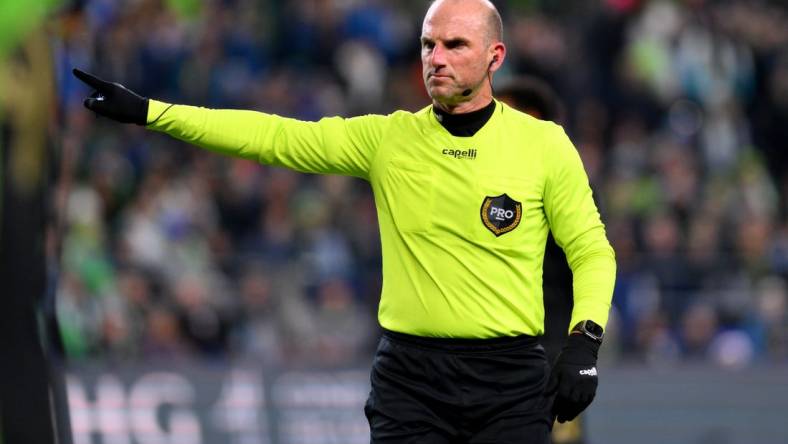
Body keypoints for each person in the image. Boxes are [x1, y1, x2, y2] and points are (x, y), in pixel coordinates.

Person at [73, 0, 616, 442]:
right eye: (429, 44)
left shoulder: (543, 145)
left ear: (495, 56)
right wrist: (150, 112)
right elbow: (274, 137)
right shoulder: (387, 139)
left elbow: (591, 250)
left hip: (511, 382)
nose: (437, 58)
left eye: (455, 45)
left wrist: (584, 344)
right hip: (412, 379)